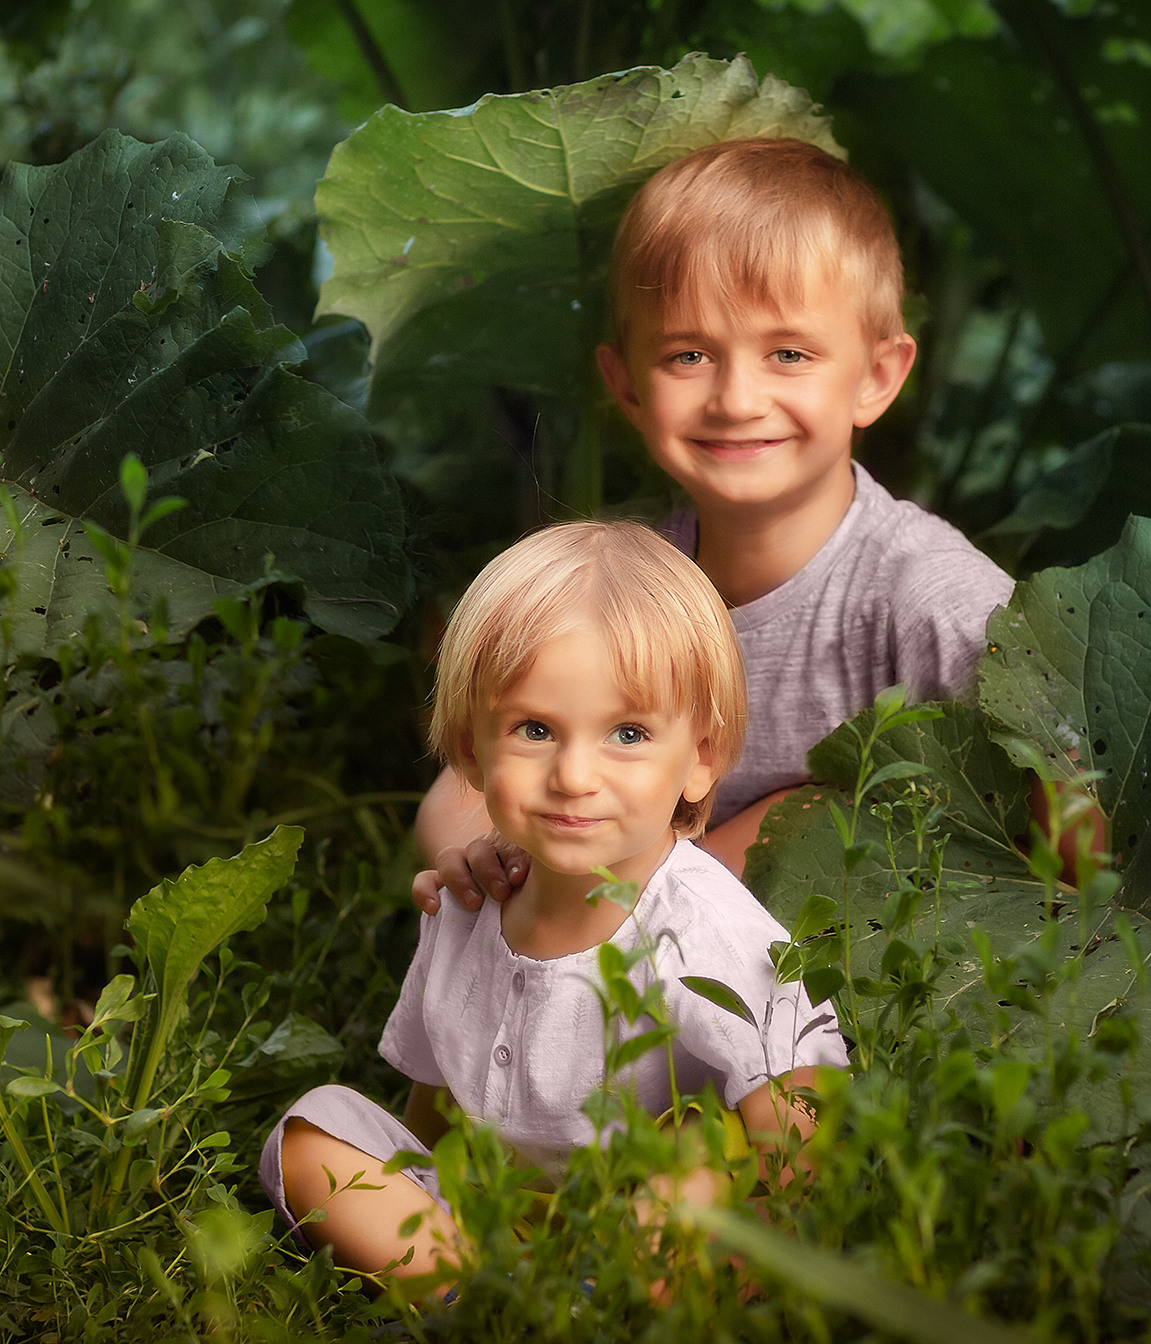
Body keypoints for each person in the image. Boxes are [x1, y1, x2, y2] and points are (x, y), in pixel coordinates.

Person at [413, 136, 1020, 908]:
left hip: (851, 963)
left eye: (789, 354)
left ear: (876, 377)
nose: (736, 400)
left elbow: (1063, 827)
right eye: (689, 356)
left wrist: (760, 839)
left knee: (821, 813)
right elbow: (463, 785)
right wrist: (480, 854)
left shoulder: (931, 596)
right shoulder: (616, 579)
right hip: (626, 948)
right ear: (626, 387)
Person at [261, 521, 847, 1291]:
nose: (574, 776)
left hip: (641, 1222)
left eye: (628, 733)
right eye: (534, 730)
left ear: (700, 759)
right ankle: (476, 1294)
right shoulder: (469, 902)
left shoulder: (707, 930)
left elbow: (802, 1124)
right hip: (491, 1210)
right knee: (309, 1134)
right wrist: (417, 1189)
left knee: (693, 1166)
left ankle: (595, 1301)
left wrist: (755, 1263)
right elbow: (433, 1108)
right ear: (470, 750)